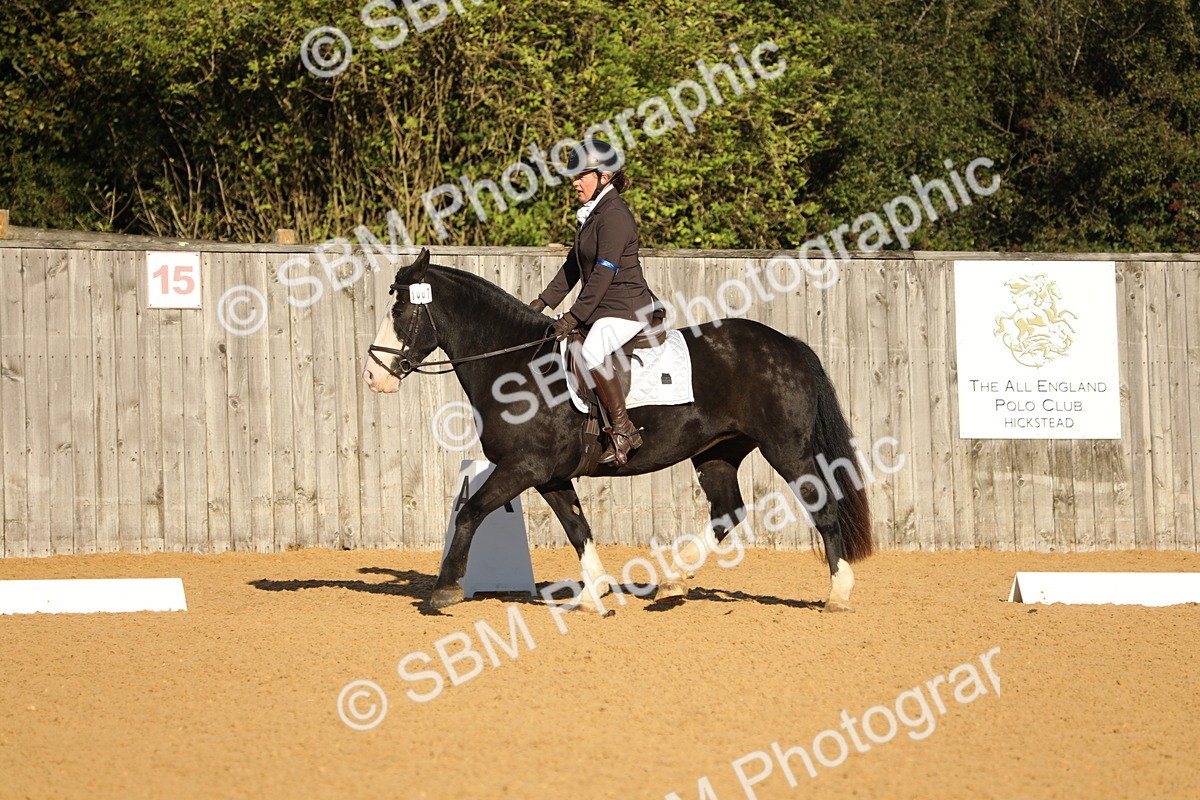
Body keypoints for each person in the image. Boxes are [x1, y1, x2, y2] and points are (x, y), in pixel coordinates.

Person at [529, 139, 660, 466]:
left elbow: (603, 273)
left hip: (626, 308)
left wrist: (573, 317)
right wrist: (542, 303)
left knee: (592, 351)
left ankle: (624, 430)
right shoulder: (593, 214)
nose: (574, 183)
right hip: (603, 309)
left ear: (604, 176)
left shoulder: (614, 216)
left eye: (580, 176)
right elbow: (573, 266)